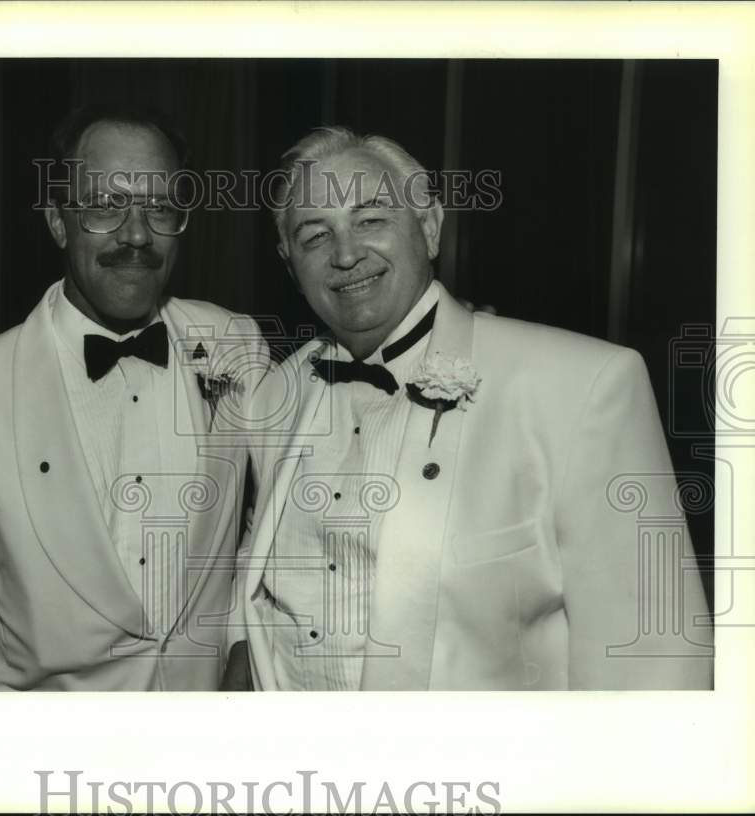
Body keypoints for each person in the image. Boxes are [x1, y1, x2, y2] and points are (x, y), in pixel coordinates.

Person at [238, 126, 712, 690]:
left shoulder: (581, 386)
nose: (346, 254)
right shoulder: (273, 397)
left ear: (430, 227)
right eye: (316, 236)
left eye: (371, 220)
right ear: (289, 262)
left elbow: (654, 658)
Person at [0, 106, 267, 690]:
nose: (136, 235)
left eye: (159, 207)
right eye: (106, 206)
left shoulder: (234, 343)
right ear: (59, 222)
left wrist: (244, 643)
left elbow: (266, 533)